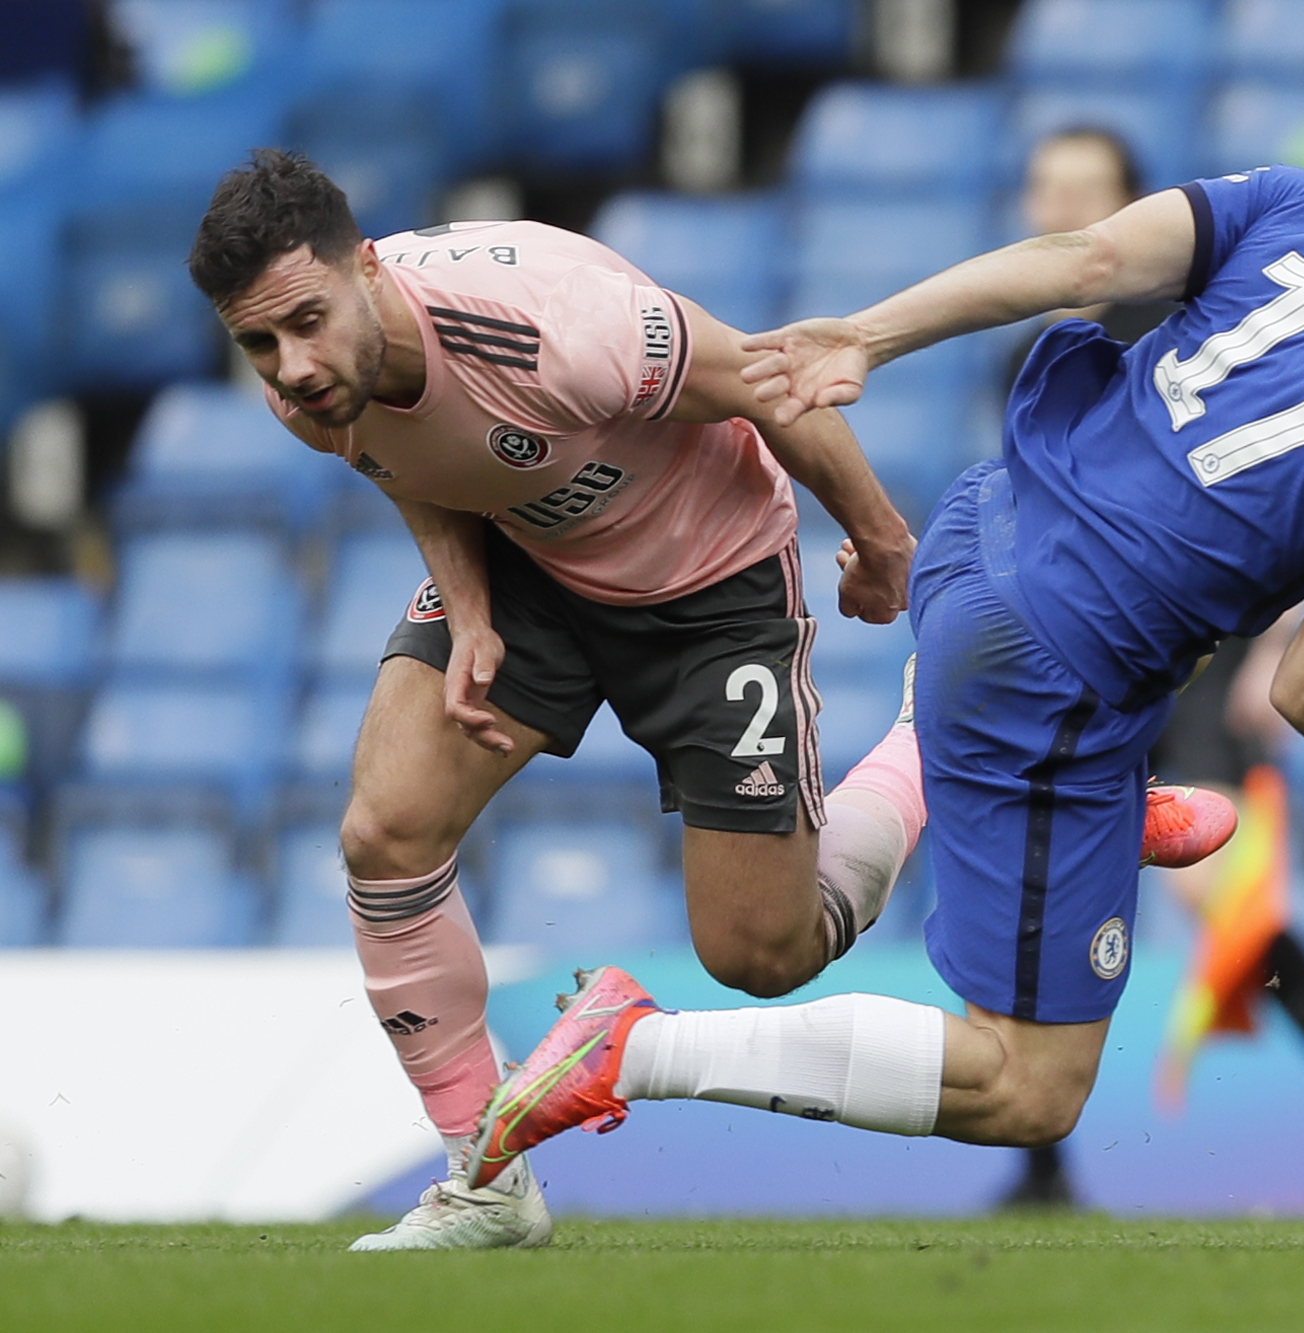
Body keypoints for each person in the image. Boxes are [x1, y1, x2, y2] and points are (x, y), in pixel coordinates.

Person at [462, 130, 1304, 1189]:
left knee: (1165, 624)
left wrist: (870, 335)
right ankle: (638, 1045)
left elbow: (1083, 264)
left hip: (976, 531)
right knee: (1031, 1088)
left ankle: (1089, 809)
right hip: (1047, 669)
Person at [187, 150, 931, 1250]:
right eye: (259, 341)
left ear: (370, 271)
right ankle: (485, 1180)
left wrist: (880, 543)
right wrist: (468, 606)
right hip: (533, 563)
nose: (290, 366)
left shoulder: (554, 325)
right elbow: (405, 461)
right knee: (384, 832)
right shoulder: (309, 387)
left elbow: (774, 382)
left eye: (305, 320)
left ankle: (932, 746)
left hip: (710, 584)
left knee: (759, 954)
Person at [991, 128, 1304, 1210]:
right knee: (1047, 882)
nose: (1057, 209)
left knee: (1217, 905)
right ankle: (1042, 1160)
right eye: (1044, 188)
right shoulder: (1022, 351)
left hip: (1193, 653)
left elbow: (1293, 479)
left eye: (1082, 193)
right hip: (1081, 653)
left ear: (1129, 208)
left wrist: (1273, 646)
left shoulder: (1178, 322)